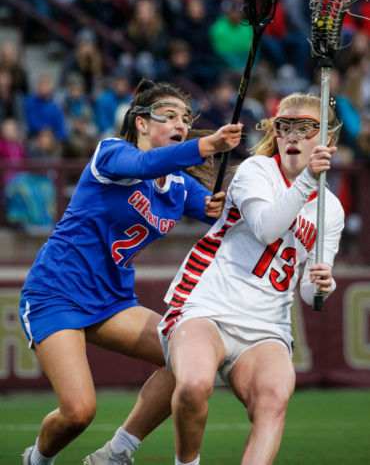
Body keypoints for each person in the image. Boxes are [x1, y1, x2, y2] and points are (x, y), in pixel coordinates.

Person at [83, 92, 344, 465]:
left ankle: (117, 451)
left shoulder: (330, 209)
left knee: (273, 403)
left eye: (306, 127)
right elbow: (267, 228)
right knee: (191, 385)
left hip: (267, 326)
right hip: (208, 304)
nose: (293, 135)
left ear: (327, 139)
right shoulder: (257, 171)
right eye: (284, 126)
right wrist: (307, 181)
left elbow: (307, 291)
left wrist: (324, 284)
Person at [20, 79, 243, 465]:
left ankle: (116, 453)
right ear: (141, 123)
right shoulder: (112, 153)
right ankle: (36, 460)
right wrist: (208, 145)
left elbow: (230, 220)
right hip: (56, 292)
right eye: (169, 116)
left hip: (113, 302)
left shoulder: (180, 188)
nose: (182, 124)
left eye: (185, 119)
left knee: (188, 360)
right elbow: (143, 165)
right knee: (78, 414)